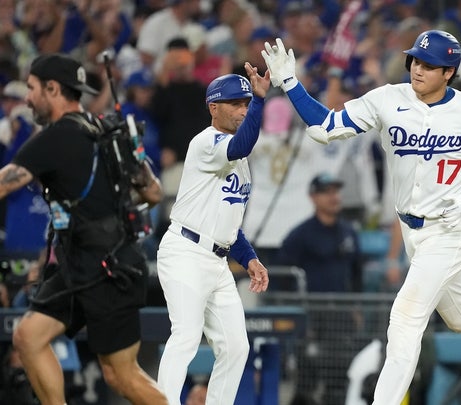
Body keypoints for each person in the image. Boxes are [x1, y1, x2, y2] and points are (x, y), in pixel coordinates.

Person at [262, 31, 461, 405]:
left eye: (429, 65)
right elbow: (325, 128)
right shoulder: (388, 98)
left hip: (452, 228)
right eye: (416, 60)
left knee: (405, 317)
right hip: (412, 229)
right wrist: (290, 83)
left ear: (449, 72)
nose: (418, 69)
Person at [1, 53, 166, 404]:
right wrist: (114, 220)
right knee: (29, 336)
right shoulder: (105, 129)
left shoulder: (54, 139)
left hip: (107, 273)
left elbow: (3, 184)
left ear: (52, 89)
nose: (27, 98)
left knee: (120, 375)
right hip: (85, 265)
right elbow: (153, 192)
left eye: (31, 89)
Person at [156, 66, 271, 405]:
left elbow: (229, 224)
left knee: (236, 346)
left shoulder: (240, 160)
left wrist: (249, 259)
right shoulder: (207, 142)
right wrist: (263, 100)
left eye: (246, 103)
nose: (242, 110)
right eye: (234, 103)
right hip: (185, 251)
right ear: (213, 107)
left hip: (217, 258)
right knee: (187, 336)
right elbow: (243, 144)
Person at [276, 172, 363, 404]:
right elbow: (284, 276)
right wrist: (296, 309)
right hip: (311, 317)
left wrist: (356, 308)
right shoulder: (300, 235)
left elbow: (357, 274)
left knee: (339, 377)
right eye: (327, 192)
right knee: (307, 380)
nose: (334, 197)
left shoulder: (348, 232)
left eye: (336, 191)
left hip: (341, 315)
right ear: (313, 197)